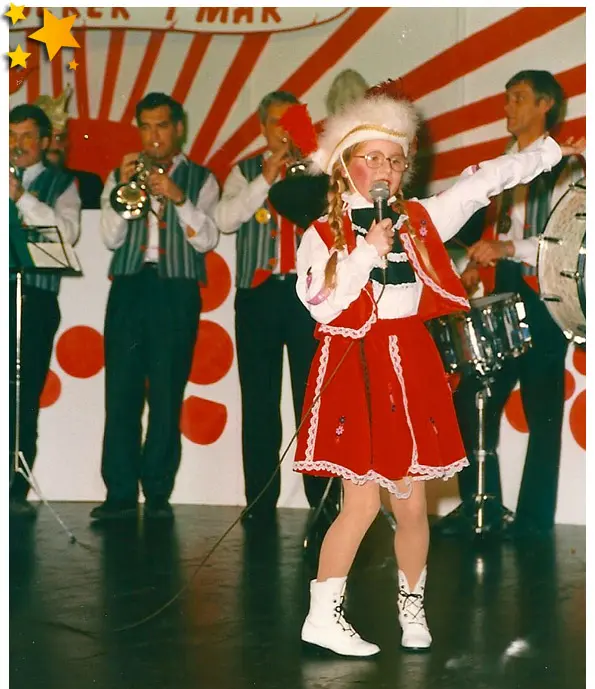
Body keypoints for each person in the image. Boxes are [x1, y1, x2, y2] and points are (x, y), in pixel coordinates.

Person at [292, 94, 585, 656]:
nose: (385, 169)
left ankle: (412, 608)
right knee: (360, 504)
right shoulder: (321, 234)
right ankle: (322, 616)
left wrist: (550, 153)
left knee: (411, 504)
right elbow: (320, 302)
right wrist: (365, 253)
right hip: (358, 367)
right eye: (372, 158)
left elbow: (484, 183)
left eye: (395, 159)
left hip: (410, 364)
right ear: (346, 165)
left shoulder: (419, 219)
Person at [454, 70, 586, 536]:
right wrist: (477, 264)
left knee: (541, 409)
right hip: (504, 290)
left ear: (545, 105)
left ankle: (533, 523)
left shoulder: (570, 167)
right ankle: (479, 507)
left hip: (544, 296)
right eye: (507, 98)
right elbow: (498, 230)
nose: (507, 107)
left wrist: (508, 248)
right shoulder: (504, 163)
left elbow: (565, 240)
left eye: (519, 98)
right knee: (473, 398)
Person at [93, 92, 219, 522]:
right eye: (145, 127)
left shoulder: (202, 179)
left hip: (176, 291)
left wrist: (179, 198)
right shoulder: (120, 174)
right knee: (121, 392)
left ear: (178, 128)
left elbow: (206, 240)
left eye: (161, 126)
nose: (153, 136)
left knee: (167, 393)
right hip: (130, 286)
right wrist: (123, 190)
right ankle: (120, 493)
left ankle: (158, 492)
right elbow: (109, 238)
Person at [214, 90, 335, 528]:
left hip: (309, 299)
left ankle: (322, 500)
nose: (282, 131)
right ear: (262, 127)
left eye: (290, 122)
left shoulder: (322, 167)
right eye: (274, 123)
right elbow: (225, 220)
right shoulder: (244, 171)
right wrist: (264, 180)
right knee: (260, 402)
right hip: (258, 296)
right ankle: (260, 501)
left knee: (313, 400)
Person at [9, 103, 82, 517]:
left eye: (25, 136)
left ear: (42, 141)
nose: (16, 144)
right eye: (10, 135)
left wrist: (20, 197)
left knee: (23, 394)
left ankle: (14, 486)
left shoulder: (62, 183)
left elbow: (66, 233)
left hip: (33, 299)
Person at [35, 88, 104, 209]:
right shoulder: (16, 183)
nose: (55, 145)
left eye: (60, 138)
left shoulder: (88, 184)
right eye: (49, 138)